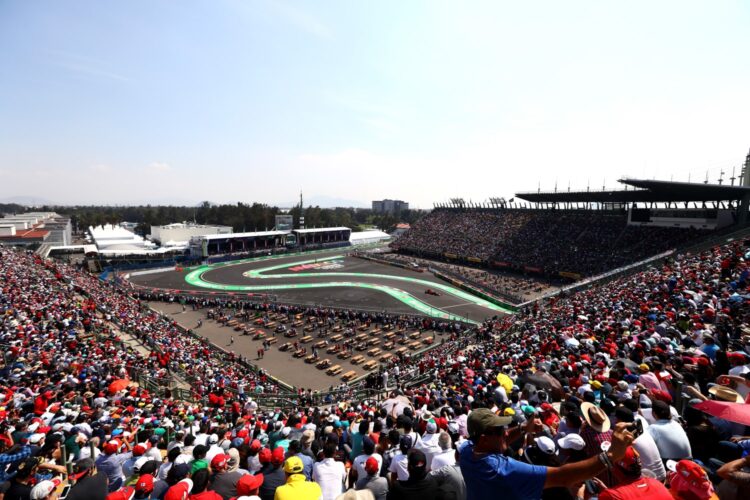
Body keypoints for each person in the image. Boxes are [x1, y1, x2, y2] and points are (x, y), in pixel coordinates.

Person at [459, 408, 635, 500]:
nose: (505, 432)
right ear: (483, 439)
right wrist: (610, 455)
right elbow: (562, 477)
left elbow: (498, 441)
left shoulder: (467, 450)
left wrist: (522, 428)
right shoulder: (502, 470)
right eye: (499, 431)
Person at [585, 446, 672, 500]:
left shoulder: (611, 496)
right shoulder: (657, 483)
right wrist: (608, 491)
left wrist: (579, 497)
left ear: (614, 468)